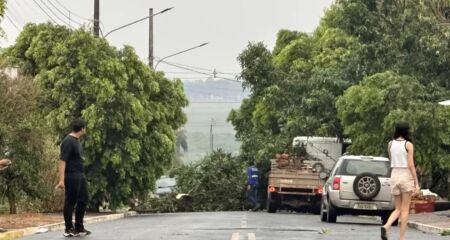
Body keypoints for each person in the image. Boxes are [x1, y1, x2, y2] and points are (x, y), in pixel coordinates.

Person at [381, 122, 420, 240]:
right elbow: (411, 164)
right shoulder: (408, 145)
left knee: (397, 208)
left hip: (394, 174)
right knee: (405, 210)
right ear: (406, 131)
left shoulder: (390, 144)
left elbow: (391, 160)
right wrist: (416, 183)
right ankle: (401, 238)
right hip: (405, 175)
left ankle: (387, 226)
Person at [56, 118, 91, 237]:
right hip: (71, 175)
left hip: (80, 175)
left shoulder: (77, 141)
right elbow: (62, 161)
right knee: (70, 201)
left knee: (84, 199)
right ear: (82, 129)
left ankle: (79, 227)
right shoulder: (68, 141)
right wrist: (61, 180)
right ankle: (68, 228)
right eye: (85, 128)